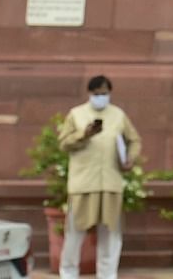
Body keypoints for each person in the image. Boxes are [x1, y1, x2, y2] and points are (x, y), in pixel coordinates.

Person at [58, 75, 142, 279]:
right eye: (97, 94)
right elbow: (63, 143)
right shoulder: (76, 114)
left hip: (110, 183)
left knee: (111, 236)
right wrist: (84, 135)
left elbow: (134, 140)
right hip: (83, 184)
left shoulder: (118, 115)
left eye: (104, 93)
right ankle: (68, 274)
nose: (101, 97)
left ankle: (107, 275)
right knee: (74, 234)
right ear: (89, 94)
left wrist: (130, 158)